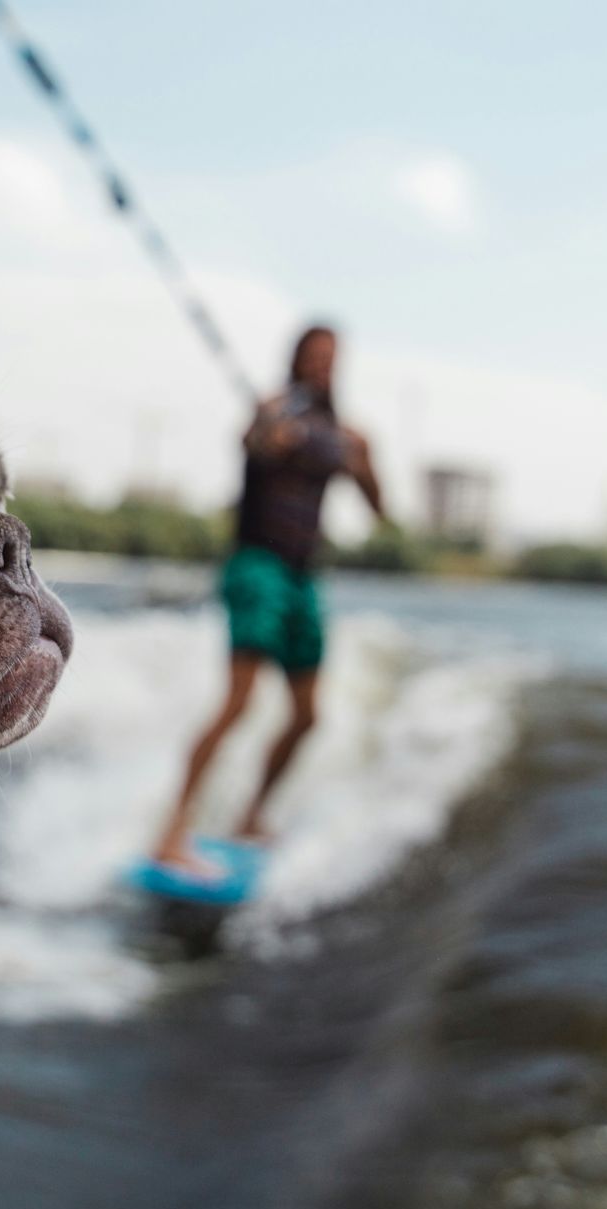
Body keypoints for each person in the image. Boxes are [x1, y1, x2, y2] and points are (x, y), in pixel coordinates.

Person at [152, 325, 385, 872]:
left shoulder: (343, 436)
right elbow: (251, 442)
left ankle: (249, 816)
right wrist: (267, 432)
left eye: (332, 358)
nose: (324, 366)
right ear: (297, 360)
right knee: (239, 704)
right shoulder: (273, 413)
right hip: (257, 566)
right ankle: (171, 834)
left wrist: (365, 462)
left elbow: (379, 507)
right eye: (314, 356)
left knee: (307, 716)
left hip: (305, 579)